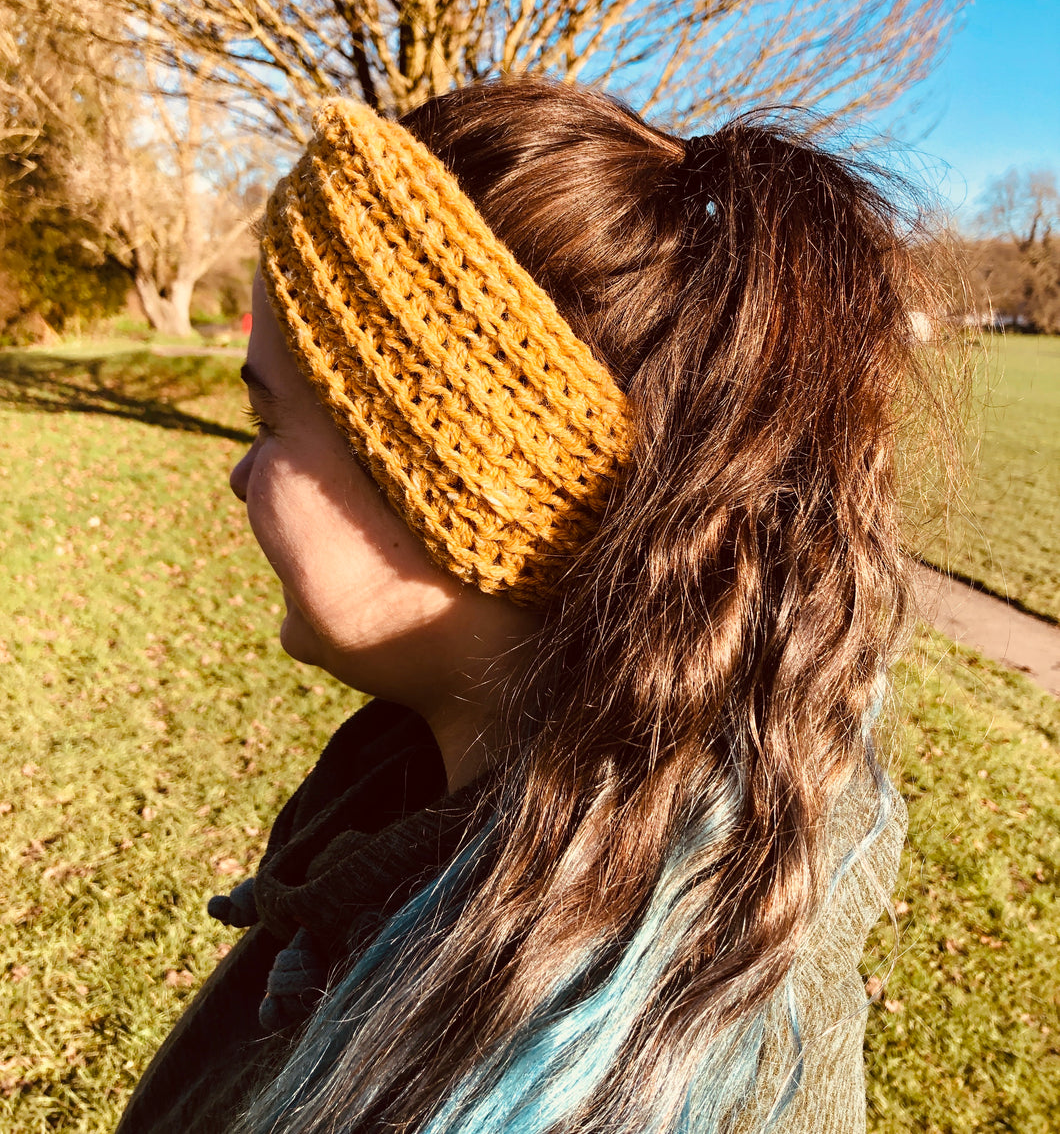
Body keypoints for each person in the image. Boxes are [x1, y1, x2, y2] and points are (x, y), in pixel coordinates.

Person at [116, 78, 929, 1134]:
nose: (238, 475)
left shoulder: (563, 1079)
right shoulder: (561, 827)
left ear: (468, 490)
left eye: (269, 420)